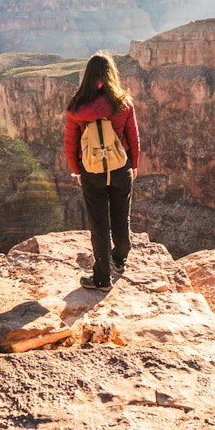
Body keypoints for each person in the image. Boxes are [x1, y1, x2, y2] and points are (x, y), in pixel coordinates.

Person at [63, 52, 140, 291]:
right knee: (121, 215)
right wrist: (134, 165)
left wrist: (77, 171)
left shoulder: (77, 106)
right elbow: (133, 138)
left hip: (92, 171)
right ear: (110, 75)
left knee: (99, 224)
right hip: (120, 167)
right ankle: (120, 258)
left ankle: (102, 279)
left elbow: (70, 144)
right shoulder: (123, 102)